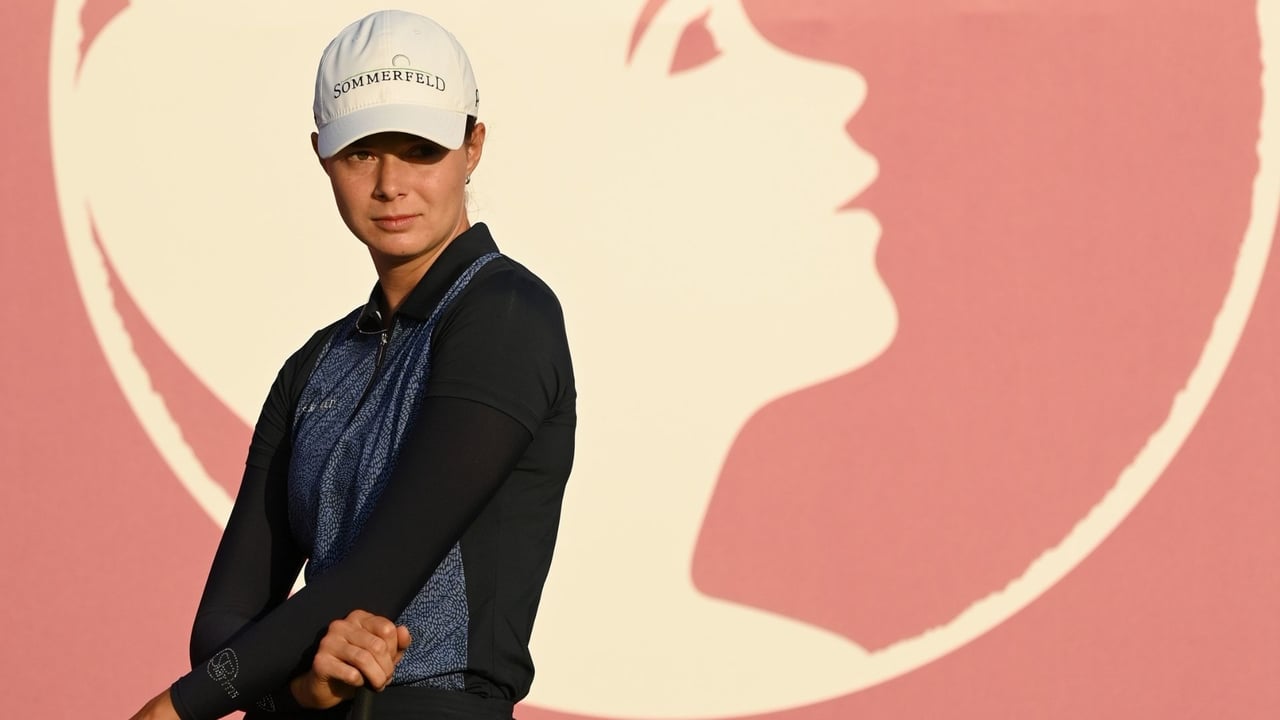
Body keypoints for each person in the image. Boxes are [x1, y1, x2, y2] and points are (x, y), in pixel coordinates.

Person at [128, 9, 576, 720]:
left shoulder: (508, 314)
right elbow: (222, 622)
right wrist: (302, 686)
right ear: (321, 154)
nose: (390, 183)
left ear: (473, 146)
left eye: (420, 150)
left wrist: (180, 709)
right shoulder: (315, 366)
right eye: (362, 152)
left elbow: (379, 572)